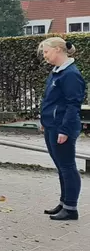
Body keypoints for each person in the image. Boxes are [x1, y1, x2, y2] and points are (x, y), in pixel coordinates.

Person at [38, 37, 86, 221]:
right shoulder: (56, 72)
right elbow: (50, 100)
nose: (45, 56)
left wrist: (65, 130)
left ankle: (71, 207)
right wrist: (44, 119)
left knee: (67, 167)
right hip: (52, 125)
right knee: (61, 166)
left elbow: (73, 104)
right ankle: (64, 202)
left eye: (46, 52)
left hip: (62, 127)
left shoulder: (71, 74)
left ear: (58, 50)